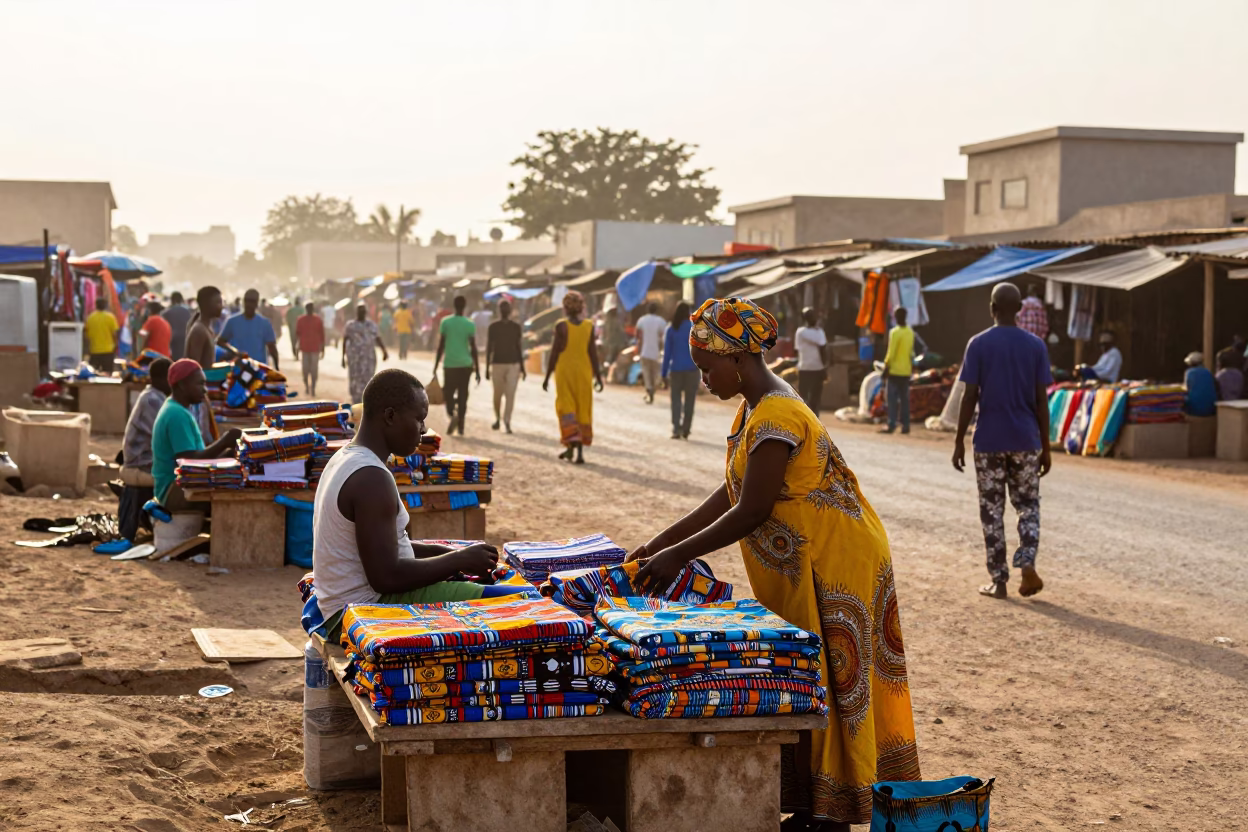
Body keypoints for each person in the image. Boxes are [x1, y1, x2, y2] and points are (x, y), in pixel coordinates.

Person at [630, 297, 920, 831]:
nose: (704, 380)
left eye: (707, 368)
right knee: (809, 675)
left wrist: (678, 554)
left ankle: (832, 812)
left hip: (834, 559)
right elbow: (733, 489)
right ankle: (814, 804)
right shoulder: (755, 408)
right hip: (804, 560)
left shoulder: (779, 413)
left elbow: (753, 509)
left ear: (738, 359)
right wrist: (661, 541)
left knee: (833, 676)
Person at [312, 368, 527, 642]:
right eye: (419, 419)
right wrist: (458, 560)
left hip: (344, 606)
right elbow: (386, 577)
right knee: (522, 601)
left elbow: (379, 546)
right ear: (390, 416)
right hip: (363, 611)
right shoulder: (371, 478)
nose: (423, 430)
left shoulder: (347, 458)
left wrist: (445, 553)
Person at [953, 282, 1053, 600]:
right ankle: (1026, 564)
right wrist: (1046, 447)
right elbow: (1041, 401)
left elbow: (969, 396)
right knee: (1027, 507)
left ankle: (999, 581)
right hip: (1026, 440)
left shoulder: (978, 344)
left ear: (992, 308)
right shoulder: (1036, 346)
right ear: (1020, 309)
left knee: (992, 511)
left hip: (989, 441)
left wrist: (958, 440)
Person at [151, 359, 242, 511]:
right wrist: (225, 441)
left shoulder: (178, 409)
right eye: (199, 384)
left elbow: (197, 457)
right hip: (174, 492)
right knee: (237, 497)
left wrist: (228, 452)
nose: (205, 390)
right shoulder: (176, 415)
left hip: (180, 485)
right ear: (181, 385)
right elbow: (189, 463)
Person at [543, 290, 603, 464]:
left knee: (566, 406)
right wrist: (598, 377)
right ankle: (577, 452)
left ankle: (571, 444)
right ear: (581, 308)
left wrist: (547, 376)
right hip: (584, 373)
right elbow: (593, 353)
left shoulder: (561, 326)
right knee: (582, 407)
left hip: (565, 372)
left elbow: (554, 352)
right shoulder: (588, 326)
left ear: (565, 308)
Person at [433, 295, 479, 436]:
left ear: (454, 305)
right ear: (464, 306)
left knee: (448, 393)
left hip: (450, 365)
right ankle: (461, 425)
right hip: (466, 365)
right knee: (463, 393)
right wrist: (477, 368)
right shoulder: (469, 324)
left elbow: (441, 345)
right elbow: (473, 347)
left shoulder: (445, 322)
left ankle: (452, 412)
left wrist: (435, 365)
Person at [486, 300, 525, 433]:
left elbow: (519, 347)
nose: (504, 311)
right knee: (498, 395)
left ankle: (506, 420)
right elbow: (489, 348)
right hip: (497, 363)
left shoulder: (516, 327)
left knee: (510, 394)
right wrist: (486, 367)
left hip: (513, 364)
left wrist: (522, 367)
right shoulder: (493, 327)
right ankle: (498, 418)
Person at [662, 301, 698, 439]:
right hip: (692, 370)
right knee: (690, 401)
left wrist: (664, 373)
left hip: (676, 369)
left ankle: (676, 428)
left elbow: (667, 353)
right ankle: (686, 429)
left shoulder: (671, 329)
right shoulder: (694, 328)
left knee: (676, 400)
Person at [219, 289, 280, 369]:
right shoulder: (232, 321)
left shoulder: (265, 323)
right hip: (238, 368)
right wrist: (235, 352)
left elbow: (272, 347)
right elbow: (221, 341)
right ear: (244, 302)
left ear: (256, 303)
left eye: (252, 301)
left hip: (258, 368)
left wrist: (277, 367)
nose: (249, 304)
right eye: (247, 301)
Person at [880, 307, 916, 434]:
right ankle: (906, 426)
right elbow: (911, 352)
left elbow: (891, 352)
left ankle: (891, 424)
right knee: (905, 400)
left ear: (896, 317)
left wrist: (886, 367)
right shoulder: (910, 332)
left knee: (892, 400)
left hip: (894, 371)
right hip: (906, 371)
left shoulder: (894, 332)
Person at [343, 303, 387, 404]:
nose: (362, 313)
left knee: (368, 377)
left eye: (363, 311)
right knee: (355, 377)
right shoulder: (350, 325)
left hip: (369, 358)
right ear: (356, 312)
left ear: (366, 312)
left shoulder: (372, 325)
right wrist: (343, 356)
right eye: (360, 311)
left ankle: (366, 397)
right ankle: (356, 399)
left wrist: (384, 351)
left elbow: (377, 338)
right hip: (355, 358)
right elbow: (345, 340)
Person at [793, 307, 828, 416]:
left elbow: (796, 350)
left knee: (803, 397)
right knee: (815, 399)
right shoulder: (820, 333)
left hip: (804, 368)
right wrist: (824, 368)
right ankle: (814, 420)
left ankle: (804, 419)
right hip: (817, 369)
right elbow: (823, 349)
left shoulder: (800, 332)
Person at [185, 285, 224, 370]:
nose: (222, 306)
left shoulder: (207, 328)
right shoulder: (199, 331)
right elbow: (193, 367)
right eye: (218, 302)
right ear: (206, 305)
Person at [635, 302, 667, 404]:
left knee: (646, 373)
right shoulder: (661, 321)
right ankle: (651, 389)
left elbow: (637, 335)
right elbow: (664, 335)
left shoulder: (642, 320)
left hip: (644, 351)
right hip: (656, 353)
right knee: (655, 374)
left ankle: (649, 389)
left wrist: (638, 345)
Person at [296, 301, 326, 397]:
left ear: (313, 309)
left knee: (314, 370)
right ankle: (306, 386)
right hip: (304, 348)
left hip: (315, 349)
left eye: (311, 308)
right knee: (305, 370)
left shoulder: (318, 320)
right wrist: (296, 347)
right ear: (306, 309)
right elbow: (297, 334)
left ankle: (313, 387)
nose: (309, 310)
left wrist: (323, 348)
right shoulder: (300, 320)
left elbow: (322, 335)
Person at [84, 297, 120, 373]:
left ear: (96, 305)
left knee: (93, 374)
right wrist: (116, 345)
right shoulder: (110, 317)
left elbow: (86, 334)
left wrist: (87, 349)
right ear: (105, 306)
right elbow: (115, 334)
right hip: (108, 351)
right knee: (108, 374)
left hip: (94, 351)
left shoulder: (90, 318)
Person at [1183, 352, 1217, 416]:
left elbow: (1186, 388)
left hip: (1195, 409)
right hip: (1210, 407)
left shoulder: (1189, 373)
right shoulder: (1207, 372)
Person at [162, 291, 192, 361]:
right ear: (181, 299)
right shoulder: (188, 311)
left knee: (175, 359)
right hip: (186, 337)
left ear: (172, 300)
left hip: (173, 339)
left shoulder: (166, 312)